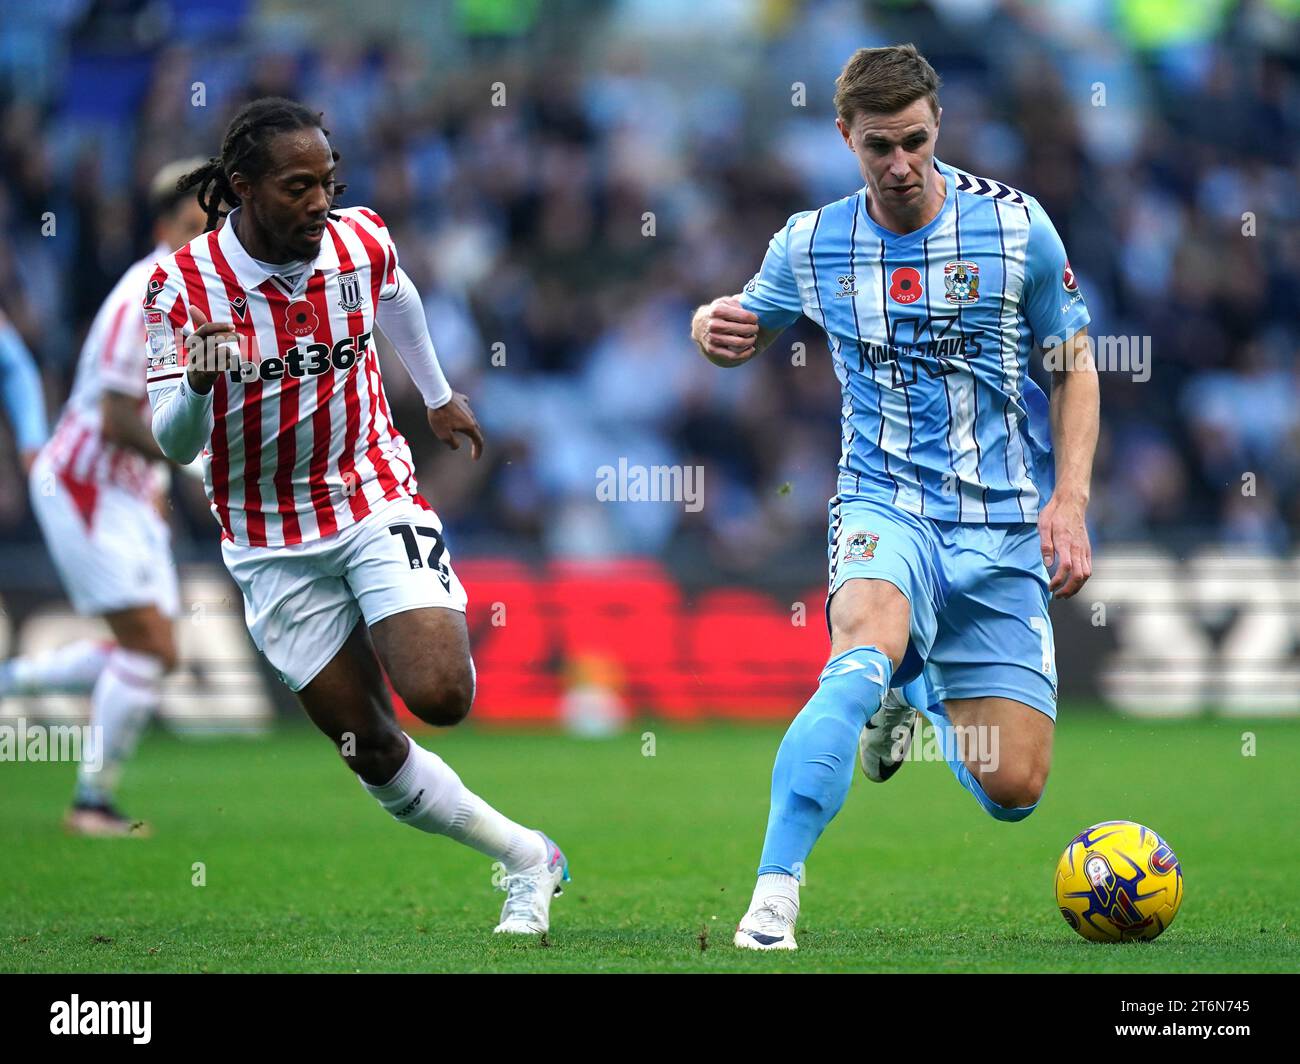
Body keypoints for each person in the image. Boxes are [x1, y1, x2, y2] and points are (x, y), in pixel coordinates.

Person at [690, 44, 1098, 951]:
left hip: (998, 526)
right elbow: (744, 325)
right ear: (845, 136)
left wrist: (1068, 501)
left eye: (914, 141)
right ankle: (774, 894)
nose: (901, 164)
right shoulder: (812, 241)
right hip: (884, 503)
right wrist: (708, 325)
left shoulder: (1017, 227)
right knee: (861, 648)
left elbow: (1071, 363)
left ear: (938, 125)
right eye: (880, 147)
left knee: (1015, 791)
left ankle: (910, 704)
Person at [145, 97, 567, 934]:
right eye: (298, 187)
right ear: (243, 188)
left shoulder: (358, 241)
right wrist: (198, 380)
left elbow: (399, 296)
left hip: (369, 489)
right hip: (266, 539)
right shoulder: (182, 285)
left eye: (328, 183)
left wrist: (440, 397)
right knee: (369, 749)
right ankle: (526, 858)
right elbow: (169, 439)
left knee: (442, 696)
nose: (318, 204)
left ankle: (399, 606)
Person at [0, 160, 207, 836]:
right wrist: (192, 469)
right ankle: (91, 802)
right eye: (193, 227)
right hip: (85, 483)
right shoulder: (144, 294)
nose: (204, 239)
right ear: (165, 227)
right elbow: (120, 416)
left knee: (157, 651)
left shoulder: (195, 295)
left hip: (128, 490)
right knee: (146, 646)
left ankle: (11, 682)